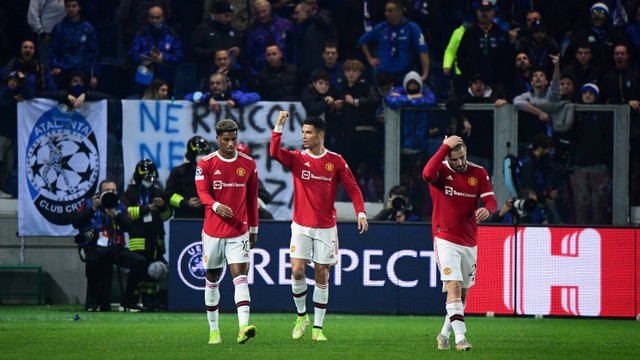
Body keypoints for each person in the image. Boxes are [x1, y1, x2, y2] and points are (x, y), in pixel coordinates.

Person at [270, 111, 368, 341]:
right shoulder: (296, 158)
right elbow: (274, 152)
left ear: (320, 135)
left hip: (325, 227)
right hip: (301, 226)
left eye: (308, 132)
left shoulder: (336, 161)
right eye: (303, 132)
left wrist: (361, 213)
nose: (304, 136)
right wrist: (278, 125)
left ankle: (317, 328)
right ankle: (301, 316)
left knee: (322, 275)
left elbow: (353, 188)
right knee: (297, 271)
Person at [422, 135, 497, 351]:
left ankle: (444, 334)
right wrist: (444, 147)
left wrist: (487, 209)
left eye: (462, 157)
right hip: (445, 238)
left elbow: (491, 200)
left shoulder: (478, 172)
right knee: (452, 286)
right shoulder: (440, 172)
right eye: (454, 159)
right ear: (446, 157)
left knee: (462, 296)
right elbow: (426, 173)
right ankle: (461, 339)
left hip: (469, 240)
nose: (460, 163)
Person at [195, 119, 259, 345]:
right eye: (226, 140)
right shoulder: (206, 163)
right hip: (212, 231)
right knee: (212, 278)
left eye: (234, 139)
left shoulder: (249, 164)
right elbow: (202, 193)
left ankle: (243, 328)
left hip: (238, 231)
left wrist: (254, 227)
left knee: (240, 275)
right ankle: (214, 330)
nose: (231, 144)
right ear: (218, 139)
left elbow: (252, 199)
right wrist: (214, 205)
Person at [72, 179, 147, 312]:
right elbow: (76, 222)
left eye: (113, 191)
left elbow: (129, 226)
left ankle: (127, 302)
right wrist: (93, 208)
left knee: (139, 261)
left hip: (116, 247)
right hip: (95, 247)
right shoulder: (89, 203)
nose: (111, 193)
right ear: (100, 193)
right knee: (92, 261)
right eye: (107, 191)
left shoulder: (120, 206)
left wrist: (116, 215)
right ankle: (94, 302)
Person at [121, 159, 172, 310]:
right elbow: (125, 213)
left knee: (154, 271)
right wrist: (146, 209)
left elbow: (167, 215)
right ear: (138, 177)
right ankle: (132, 300)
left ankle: (150, 301)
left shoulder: (158, 192)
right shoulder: (130, 193)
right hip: (138, 238)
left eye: (153, 178)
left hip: (156, 239)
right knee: (139, 269)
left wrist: (163, 207)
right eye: (147, 178)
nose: (150, 181)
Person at [358, 0, 430, 85]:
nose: (386, 14)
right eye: (386, 11)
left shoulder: (411, 27)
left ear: (400, 11)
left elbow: (423, 50)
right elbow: (362, 40)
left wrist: (425, 74)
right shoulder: (381, 27)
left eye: (390, 10)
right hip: (384, 74)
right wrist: (370, 59)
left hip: (405, 74)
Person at [129, 5, 184, 91]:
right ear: (148, 18)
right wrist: (147, 55)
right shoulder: (141, 34)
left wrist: (164, 57)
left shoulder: (172, 35)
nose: (155, 21)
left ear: (163, 17)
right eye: (152, 18)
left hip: (165, 77)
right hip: (145, 75)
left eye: (158, 18)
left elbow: (179, 56)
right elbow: (132, 54)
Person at [48, 0, 99, 90]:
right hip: (63, 69)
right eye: (68, 6)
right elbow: (53, 50)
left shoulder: (88, 28)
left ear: (79, 8)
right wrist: (55, 66)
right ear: (65, 8)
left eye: (74, 6)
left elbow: (94, 53)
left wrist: (94, 75)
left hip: (83, 69)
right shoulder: (59, 28)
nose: (71, 9)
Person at [0, 71, 35, 199]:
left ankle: (1, 188)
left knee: (8, 165)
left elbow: (31, 94)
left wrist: (24, 81)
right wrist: (13, 100)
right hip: (2, 133)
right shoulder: (4, 92)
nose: (12, 82)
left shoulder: (21, 92)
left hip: (14, 134)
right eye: (10, 80)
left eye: (15, 80)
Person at [191, 0, 240, 85]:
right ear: (217, 15)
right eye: (226, 16)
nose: (229, 19)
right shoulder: (203, 30)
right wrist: (214, 53)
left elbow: (240, 49)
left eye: (230, 16)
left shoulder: (233, 31)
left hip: (230, 74)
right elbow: (194, 51)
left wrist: (237, 52)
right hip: (206, 73)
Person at [166, 136, 212, 219]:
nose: (203, 156)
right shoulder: (179, 172)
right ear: (192, 155)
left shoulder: (212, 173)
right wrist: (186, 203)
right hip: (183, 220)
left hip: (207, 220)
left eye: (205, 154)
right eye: (200, 154)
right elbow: (169, 196)